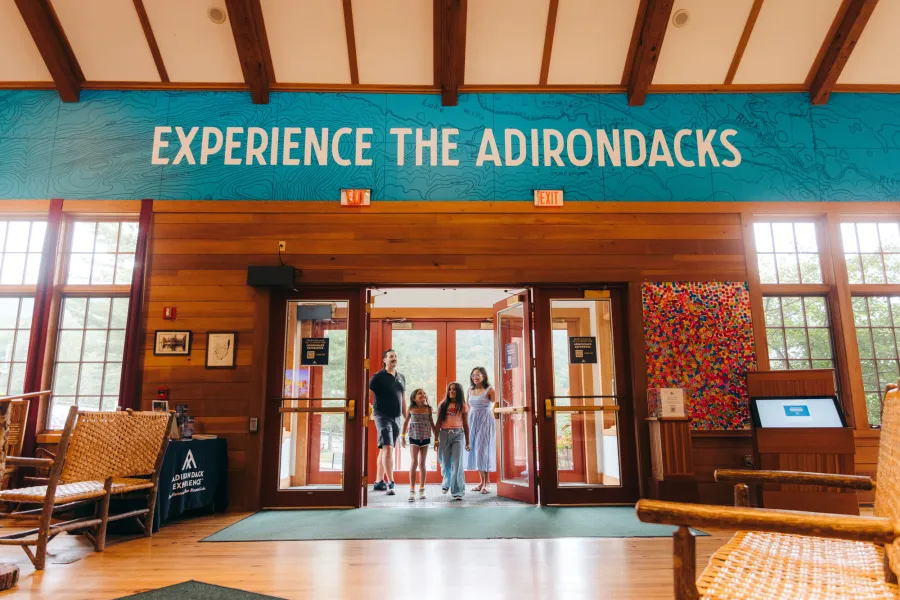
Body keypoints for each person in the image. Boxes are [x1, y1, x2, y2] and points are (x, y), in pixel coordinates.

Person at [369, 349, 406, 495]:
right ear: (384, 360)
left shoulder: (401, 377)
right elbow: (368, 396)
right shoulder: (377, 377)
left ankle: (379, 482)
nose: (394, 359)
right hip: (382, 415)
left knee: (385, 449)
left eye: (395, 356)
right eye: (391, 357)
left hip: (397, 417)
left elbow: (403, 399)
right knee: (389, 448)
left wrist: (407, 418)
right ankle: (391, 483)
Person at [435, 382, 469, 501]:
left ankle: (458, 491)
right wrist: (435, 440)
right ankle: (446, 482)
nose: (451, 392)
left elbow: (465, 424)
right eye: (449, 390)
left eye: (454, 390)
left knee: (457, 463)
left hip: (458, 435)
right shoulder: (442, 405)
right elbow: (438, 422)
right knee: (444, 462)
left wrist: (468, 442)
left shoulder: (463, 406)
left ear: (459, 392)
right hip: (444, 434)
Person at [401, 388, 436, 502]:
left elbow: (432, 423)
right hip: (414, 437)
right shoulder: (411, 408)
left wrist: (436, 439)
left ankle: (422, 488)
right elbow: (406, 422)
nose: (423, 394)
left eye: (424, 393)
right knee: (414, 462)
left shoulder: (428, 409)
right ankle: (412, 489)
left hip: (425, 436)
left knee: (422, 463)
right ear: (414, 398)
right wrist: (402, 437)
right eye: (419, 393)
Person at [465, 367, 496, 493]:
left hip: (486, 420)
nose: (475, 377)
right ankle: (481, 481)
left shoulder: (489, 389)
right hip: (473, 419)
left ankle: (487, 482)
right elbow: (468, 406)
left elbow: (497, 403)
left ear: (484, 376)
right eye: (473, 375)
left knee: (483, 449)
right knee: (475, 449)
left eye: (477, 375)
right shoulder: (470, 390)